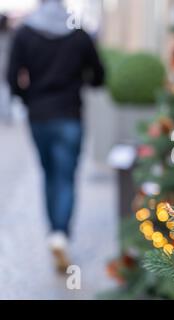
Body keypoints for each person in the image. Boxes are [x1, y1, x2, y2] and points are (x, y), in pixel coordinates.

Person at [7, 0, 104, 272]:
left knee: (49, 173)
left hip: (38, 116)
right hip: (70, 113)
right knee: (65, 175)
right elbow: (98, 75)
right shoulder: (78, 33)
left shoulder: (25, 32)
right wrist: (80, 82)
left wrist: (29, 99)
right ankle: (60, 233)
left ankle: (55, 232)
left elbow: (12, 77)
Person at [0, 14, 12, 123]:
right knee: (5, 89)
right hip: (6, 65)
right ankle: (6, 114)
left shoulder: (10, 34)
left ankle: (6, 114)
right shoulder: (10, 34)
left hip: (6, 65)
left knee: (5, 89)